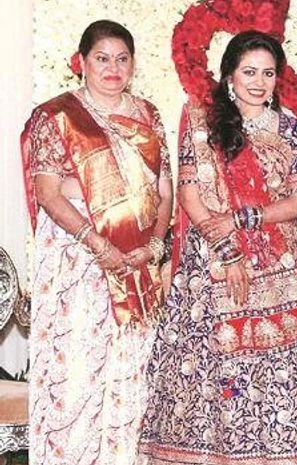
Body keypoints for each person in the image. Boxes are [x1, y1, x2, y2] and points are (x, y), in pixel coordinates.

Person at [138, 31, 297, 465]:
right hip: (210, 266)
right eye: (249, 72)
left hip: (278, 269)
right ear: (229, 75)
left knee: (278, 371)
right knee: (216, 370)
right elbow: (190, 195)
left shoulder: (290, 127)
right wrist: (228, 250)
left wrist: (245, 219)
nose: (259, 82)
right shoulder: (200, 121)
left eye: (268, 73)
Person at [20, 19, 172, 465]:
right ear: (82, 62)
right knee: (75, 369)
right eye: (101, 59)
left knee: (130, 368)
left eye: (121, 59)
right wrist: (97, 243)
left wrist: (156, 245)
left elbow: (162, 192)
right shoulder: (57, 115)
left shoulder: (148, 114)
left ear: (133, 64)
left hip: (137, 256)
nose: (112, 68)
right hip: (77, 256)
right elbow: (49, 193)